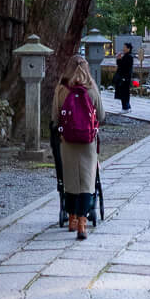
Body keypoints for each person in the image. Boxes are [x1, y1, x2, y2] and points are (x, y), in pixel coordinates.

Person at [52, 54, 105, 238]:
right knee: (87, 181)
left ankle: (72, 218)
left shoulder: (61, 89)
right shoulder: (92, 89)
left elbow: (55, 117)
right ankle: (83, 223)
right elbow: (101, 115)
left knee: (70, 180)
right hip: (88, 141)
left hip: (67, 141)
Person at [113, 43, 134, 112]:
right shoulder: (125, 56)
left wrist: (119, 59)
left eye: (125, 47)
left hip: (125, 78)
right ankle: (127, 106)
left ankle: (125, 107)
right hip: (124, 77)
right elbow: (120, 65)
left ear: (128, 49)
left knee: (124, 93)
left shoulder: (129, 57)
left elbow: (124, 67)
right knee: (124, 93)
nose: (123, 48)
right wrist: (119, 59)